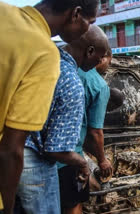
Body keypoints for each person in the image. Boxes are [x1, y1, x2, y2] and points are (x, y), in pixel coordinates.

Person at [0, 0, 99, 212]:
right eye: (90, 22)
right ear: (76, 14)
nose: (88, 29)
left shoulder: (3, 12)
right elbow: (12, 147)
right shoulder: (44, 54)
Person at [15, 25, 108, 214]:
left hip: (11, 153)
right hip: (37, 162)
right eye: (101, 55)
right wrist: (83, 164)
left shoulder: (41, 62)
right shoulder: (71, 81)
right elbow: (56, 150)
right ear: (89, 51)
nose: (101, 61)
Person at [58, 39, 113, 214]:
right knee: (73, 205)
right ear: (102, 58)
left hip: (48, 154)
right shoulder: (98, 84)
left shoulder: (62, 69)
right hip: (69, 156)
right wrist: (103, 160)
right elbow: (95, 131)